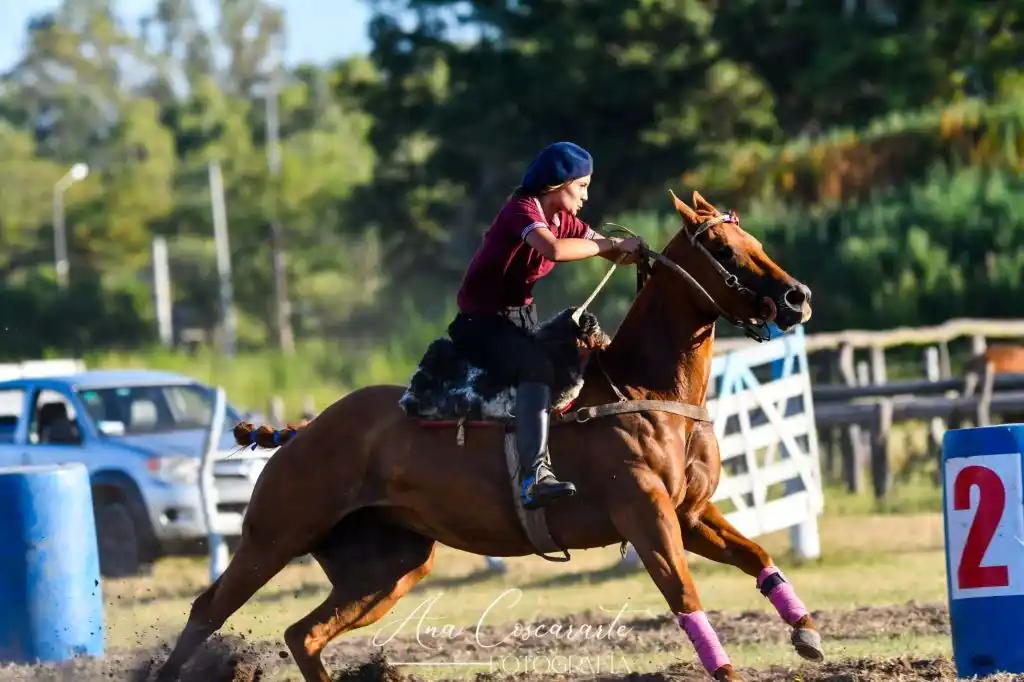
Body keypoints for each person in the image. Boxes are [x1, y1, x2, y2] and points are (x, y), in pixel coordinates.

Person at [447, 141, 643, 510]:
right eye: (582, 185)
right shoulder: (521, 211)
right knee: (536, 368)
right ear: (557, 183)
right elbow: (554, 249)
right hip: (482, 325)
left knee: (581, 355)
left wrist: (634, 250)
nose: (587, 195)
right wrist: (611, 245)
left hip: (519, 320)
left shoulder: (562, 218)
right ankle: (533, 476)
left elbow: (603, 245)